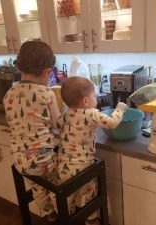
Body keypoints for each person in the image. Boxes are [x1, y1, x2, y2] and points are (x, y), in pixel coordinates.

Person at [3, 41, 62, 221]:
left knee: (37, 185)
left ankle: (48, 212)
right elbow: (57, 124)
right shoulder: (46, 94)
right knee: (56, 181)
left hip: (21, 162)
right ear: (47, 71)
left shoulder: (9, 94)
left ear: (20, 67)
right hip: (44, 160)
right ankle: (62, 212)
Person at [58, 76, 128, 225]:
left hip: (63, 167)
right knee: (87, 195)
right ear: (85, 101)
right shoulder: (91, 113)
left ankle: (69, 219)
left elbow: (59, 124)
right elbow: (112, 123)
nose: (95, 98)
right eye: (94, 95)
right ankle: (90, 221)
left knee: (68, 198)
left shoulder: (66, 112)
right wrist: (120, 108)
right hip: (83, 168)